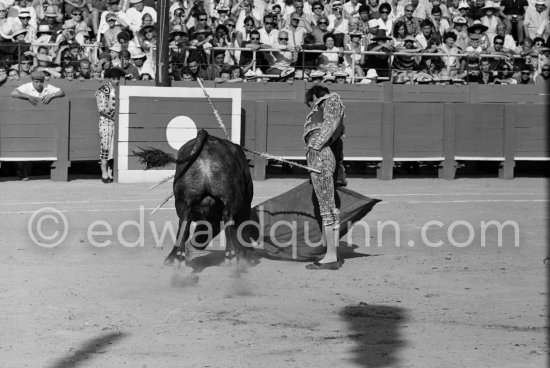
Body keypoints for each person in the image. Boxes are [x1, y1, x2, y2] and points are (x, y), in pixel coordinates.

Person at [303, 85, 346, 270]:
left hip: (320, 157)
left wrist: (315, 147)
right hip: (319, 157)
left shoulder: (331, 99)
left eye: (310, 103)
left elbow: (331, 123)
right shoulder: (325, 104)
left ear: (314, 96)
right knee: (327, 207)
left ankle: (331, 257)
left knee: (327, 207)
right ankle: (331, 253)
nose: (311, 107)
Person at [10, 70, 65, 180]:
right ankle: (23, 172)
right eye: (36, 82)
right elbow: (14, 93)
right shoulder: (26, 86)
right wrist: (26, 96)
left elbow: (62, 92)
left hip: (45, 122)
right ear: (32, 81)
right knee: (26, 146)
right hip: (27, 122)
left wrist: (51, 95)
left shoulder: (47, 87)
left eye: (41, 81)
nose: (39, 84)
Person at [95, 68, 125, 183]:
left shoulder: (120, 90)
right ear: (109, 78)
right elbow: (102, 110)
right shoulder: (103, 90)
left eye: (118, 79)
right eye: (114, 79)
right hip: (106, 122)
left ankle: (110, 171)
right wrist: (117, 117)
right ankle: (104, 171)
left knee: (114, 147)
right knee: (106, 145)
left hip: (116, 122)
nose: (116, 81)